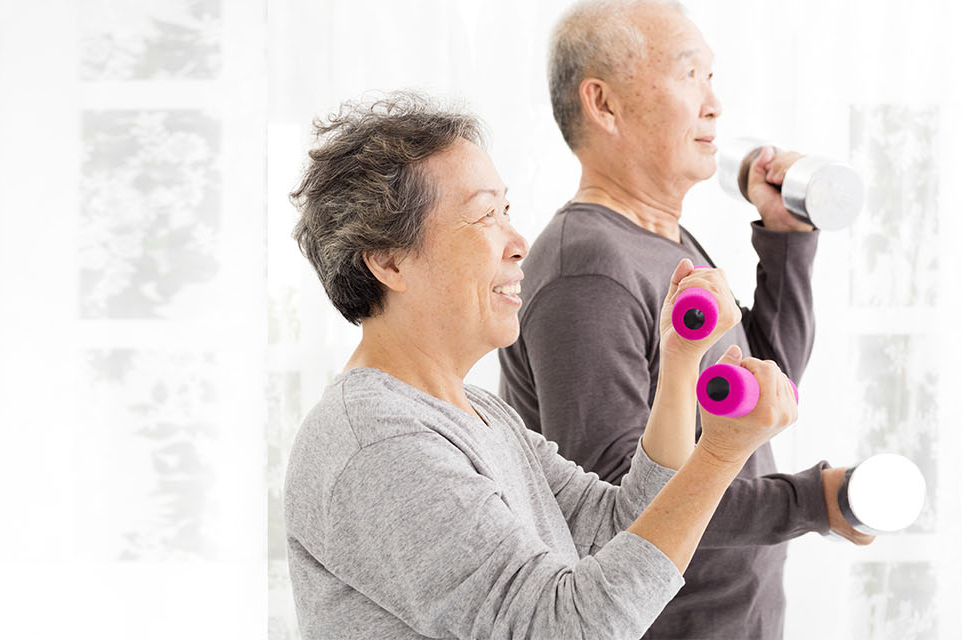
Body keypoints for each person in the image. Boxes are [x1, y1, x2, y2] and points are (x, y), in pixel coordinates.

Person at [283, 93, 800, 639]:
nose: (518, 243)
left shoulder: (477, 413)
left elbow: (617, 528)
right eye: (485, 216)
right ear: (389, 261)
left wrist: (678, 364)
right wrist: (720, 453)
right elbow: (562, 629)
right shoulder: (379, 446)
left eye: (506, 211)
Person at [498, 2, 872, 638]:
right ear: (604, 104)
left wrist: (786, 236)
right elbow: (621, 505)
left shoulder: (660, 242)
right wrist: (812, 501)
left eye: (711, 76)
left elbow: (765, 381)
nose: (714, 104)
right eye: (689, 74)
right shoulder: (587, 269)